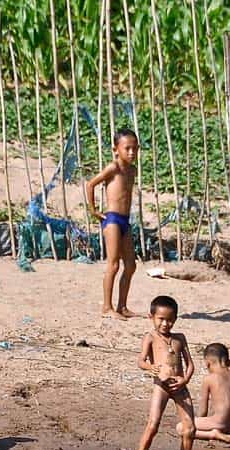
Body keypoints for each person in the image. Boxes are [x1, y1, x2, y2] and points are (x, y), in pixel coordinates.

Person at [86, 128, 139, 319]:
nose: (131, 153)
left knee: (131, 265)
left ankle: (122, 306)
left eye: (135, 149)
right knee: (113, 264)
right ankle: (107, 308)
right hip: (113, 220)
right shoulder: (113, 168)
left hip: (125, 220)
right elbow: (91, 184)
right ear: (116, 149)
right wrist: (93, 210)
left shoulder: (132, 170)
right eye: (127, 149)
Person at [137, 296, 195, 450]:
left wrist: (185, 380)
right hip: (161, 386)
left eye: (169, 320)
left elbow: (190, 364)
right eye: (161, 319)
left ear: (175, 319)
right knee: (153, 425)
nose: (165, 324)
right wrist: (150, 367)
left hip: (180, 387)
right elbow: (140, 361)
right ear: (151, 317)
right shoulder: (150, 337)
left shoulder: (179, 338)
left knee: (190, 429)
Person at [179, 343, 230, 443]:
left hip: (220, 423)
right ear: (229, 362)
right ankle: (225, 432)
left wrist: (199, 422)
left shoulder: (209, 378)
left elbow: (203, 411)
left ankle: (213, 434)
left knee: (181, 427)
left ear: (207, 364)